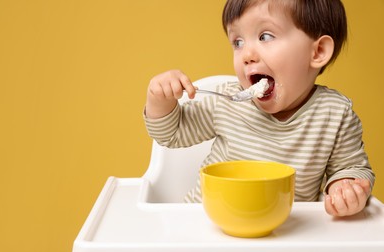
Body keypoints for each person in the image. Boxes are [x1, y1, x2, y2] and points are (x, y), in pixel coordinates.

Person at [143, 0, 375, 217]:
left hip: (286, 232)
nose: (247, 55)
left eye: (265, 36)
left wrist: (345, 187)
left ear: (318, 52)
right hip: (208, 222)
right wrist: (160, 100)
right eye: (238, 42)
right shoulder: (225, 101)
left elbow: (353, 168)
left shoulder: (335, 114)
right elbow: (170, 134)